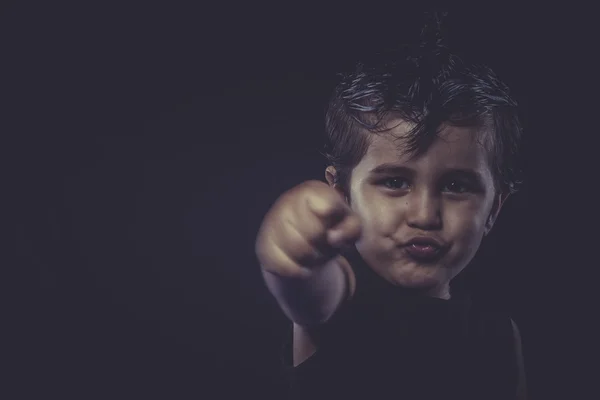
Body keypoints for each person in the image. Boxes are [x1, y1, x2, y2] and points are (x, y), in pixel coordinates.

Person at [255, 12, 527, 400]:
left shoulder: (499, 333)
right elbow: (308, 292)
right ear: (343, 193)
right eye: (395, 182)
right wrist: (297, 258)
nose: (424, 215)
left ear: (494, 209)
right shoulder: (340, 300)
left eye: (455, 186)